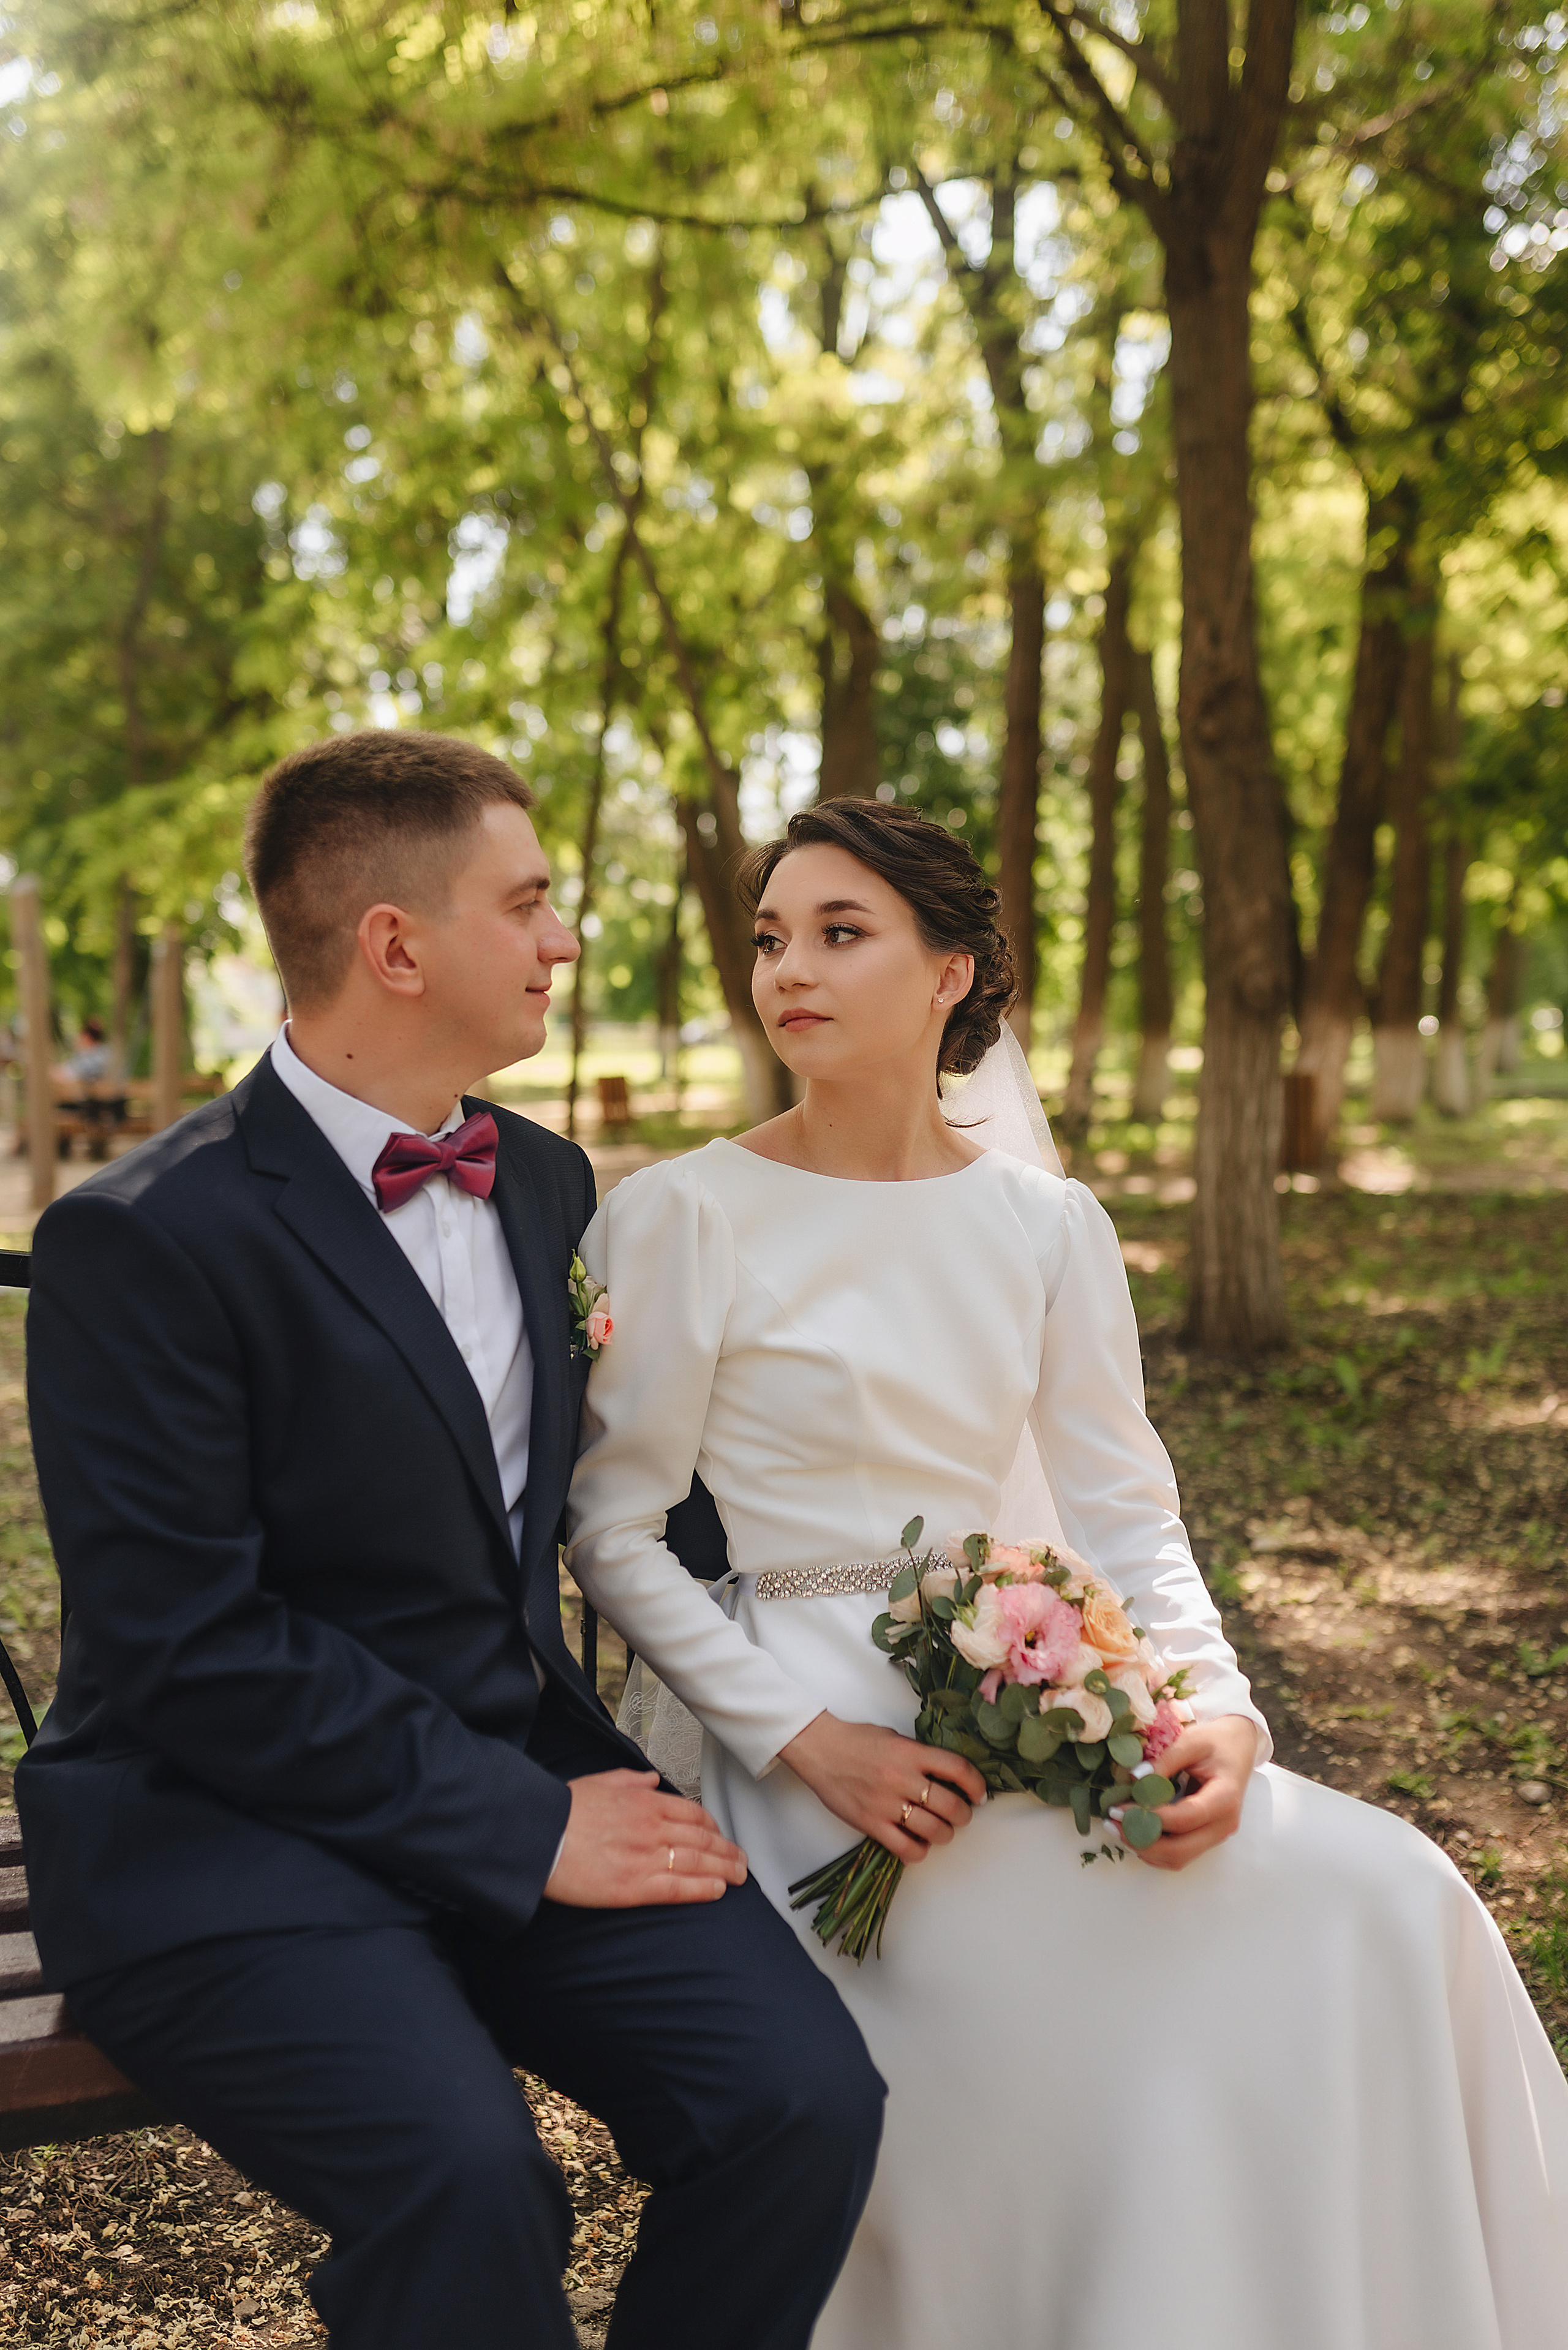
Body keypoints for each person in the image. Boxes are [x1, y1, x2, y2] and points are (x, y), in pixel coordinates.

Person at [566, 797, 1568, 2350]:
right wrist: (801, 1740)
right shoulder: (681, 1212)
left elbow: (1123, 1502)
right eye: (771, 936)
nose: (788, 971)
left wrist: (1217, 1713)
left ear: (951, 970)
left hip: (1035, 1685)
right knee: (1063, 1998)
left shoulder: (1044, 1221)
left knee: (1388, 1890)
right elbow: (614, 1528)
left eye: (841, 932)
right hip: (814, 1733)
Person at [16, 731, 884, 2350]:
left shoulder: (547, 1183)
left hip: (518, 1776)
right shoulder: (142, 1235)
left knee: (801, 2095)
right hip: (217, 1832)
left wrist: (904, 1615)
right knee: (473, 2179)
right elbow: (185, 1645)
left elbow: (643, 1482)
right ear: (396, 944)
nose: (566, 940)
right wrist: (520, 1823)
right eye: (531, 901)